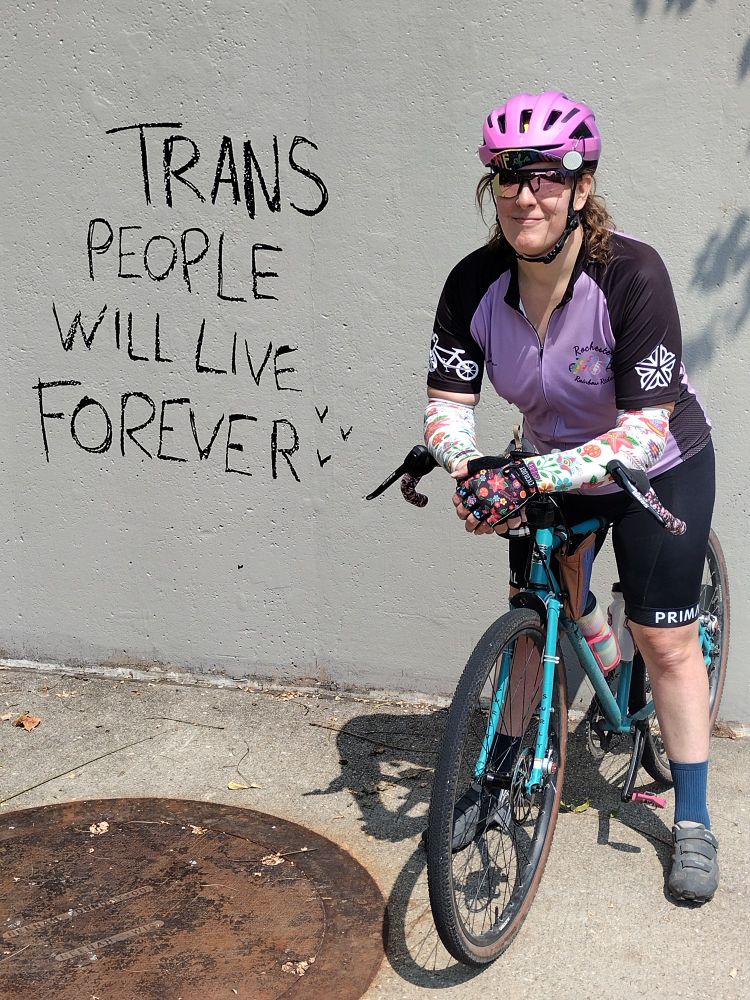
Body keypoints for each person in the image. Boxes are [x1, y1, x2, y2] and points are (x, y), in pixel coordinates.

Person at [424, 90, 718, 903]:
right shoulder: (475, 284)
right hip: (552, 465)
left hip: (657, 465)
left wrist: (523, 474)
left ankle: (691, 819)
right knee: (535, 623)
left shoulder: (632, 275)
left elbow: (642, 433)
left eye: (548, 177)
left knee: (667, 644)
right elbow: (448, 408)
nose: (527, 195)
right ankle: (496, 786)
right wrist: (470, 466)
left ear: (581, 187)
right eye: (510, 177)